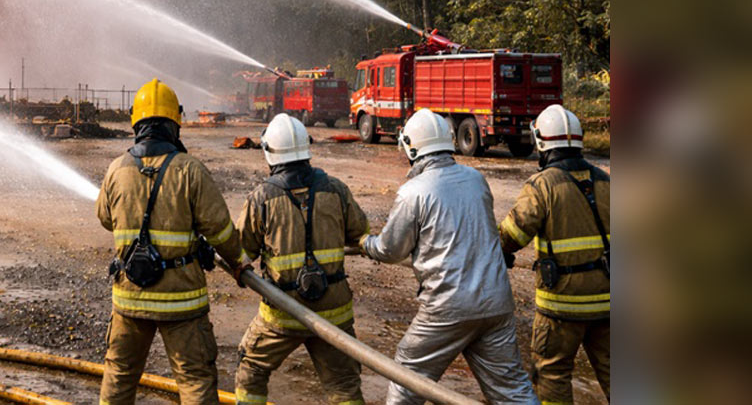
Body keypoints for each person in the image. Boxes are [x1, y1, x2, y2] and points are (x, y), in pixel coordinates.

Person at [359, 108, 538, 405]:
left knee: (408, 373)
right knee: (512, 390)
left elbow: (391, 250)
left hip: (447, 307)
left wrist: (366, 243)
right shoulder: (476, 179)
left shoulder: (413, 191)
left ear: (412, 147)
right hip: (496, 303)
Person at [96, 79, 245, 405]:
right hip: (182, 302)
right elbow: (220, 231)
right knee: (194, 381)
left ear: (136, 123)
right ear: (174, 125)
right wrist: (239, 262)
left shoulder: (116, 169)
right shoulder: (190, 170)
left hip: (130, 299)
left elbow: (106, 219)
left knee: (119, 377)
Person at [233, 113, 368, 405]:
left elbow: (242, 251)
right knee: (344, 385)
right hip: (334, 314)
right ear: (306, 149)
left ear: (269, 152)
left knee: (251, 370)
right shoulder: (336, 189)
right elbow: (360, 233)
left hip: (283, 314)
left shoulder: (262, 198)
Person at [499, 104, 610, 403]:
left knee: (552, 373)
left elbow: (512, 235)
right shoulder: (606, 181)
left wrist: (497, 251)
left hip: (562, 306)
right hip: (610, 302)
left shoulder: (542, 185)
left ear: (541, 143)